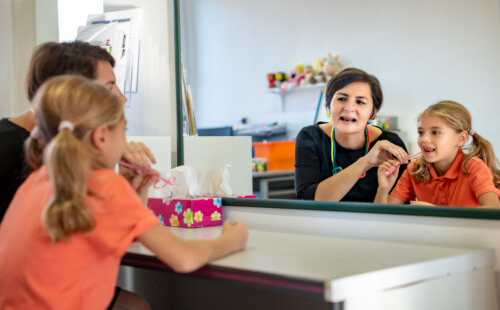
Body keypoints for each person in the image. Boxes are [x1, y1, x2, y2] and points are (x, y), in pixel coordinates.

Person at [0, 75, 248, 309]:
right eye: (124, 129)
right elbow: (184, 259)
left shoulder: (38, 181)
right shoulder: (104, 184)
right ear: (101, 137)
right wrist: (231, 241)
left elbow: (110, 232)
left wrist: (134, 194)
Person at [0, 41, 154, 222]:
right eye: (109, 87)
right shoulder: (8, 150)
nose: (121, 98)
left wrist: (131, 191)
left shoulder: (69, 148)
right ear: (72, 93)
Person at [295, 67, 409, 201]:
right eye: (342, 99)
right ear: (329, 104)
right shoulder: (311, 137)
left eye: (360, 102)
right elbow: (307, 200)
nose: (349, 108)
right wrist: (365, 162)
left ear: (374, 111)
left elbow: (401, 206)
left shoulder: (390, 143)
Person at [374, 100, 500, 208]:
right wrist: (383, 189)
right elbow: (382, 218)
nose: (424, 139)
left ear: (461, 139)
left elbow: (493, 210)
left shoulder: (474, 167)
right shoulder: (414, 170)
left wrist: (438, 213)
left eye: (435, 132)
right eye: (421, 132)